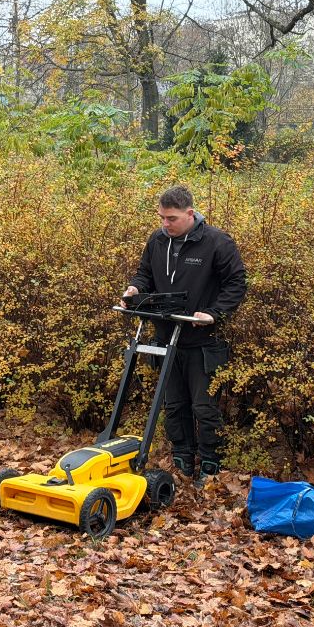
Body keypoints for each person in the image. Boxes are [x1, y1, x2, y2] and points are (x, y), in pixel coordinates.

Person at [122, 185, 246, 485]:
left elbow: (236, 284)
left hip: (202, 340)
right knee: (173, 404)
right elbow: (145, 274)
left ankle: (211, 463)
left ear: (190, 214)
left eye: (172, 218)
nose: (165, 224)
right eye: (162, 217)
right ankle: (183, 460)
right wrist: (135, 289)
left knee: (204, 406)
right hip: (166, 335)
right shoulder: (157, 240)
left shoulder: (216, 242)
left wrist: (214, 313)